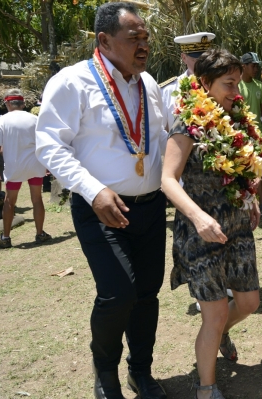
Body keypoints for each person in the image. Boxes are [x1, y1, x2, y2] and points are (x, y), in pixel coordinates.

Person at [35, 3, 168, 398]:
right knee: (118, 294)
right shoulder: (72, 82)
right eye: (134, 38)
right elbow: (50, 147)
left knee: (146, 295)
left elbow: (160, 144)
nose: (143, 45)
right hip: (100, 210)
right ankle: (105, 372)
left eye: (145, 37)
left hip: (150, 207)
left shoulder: (150, 85)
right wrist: (93, 190)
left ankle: (139, 372)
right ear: (104, 40)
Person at [161, 48, 262, 399]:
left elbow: (242, 167)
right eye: (228, 84)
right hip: (200, 231)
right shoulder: (187, 121)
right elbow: (168, 179)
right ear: (204, 83)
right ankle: (206, 387)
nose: (236, 91)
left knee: (249, 303)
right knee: (215, 314)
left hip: (237, 227)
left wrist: (251, 196)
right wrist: (198, 216)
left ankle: (218, 333)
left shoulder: (236, 118)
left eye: (237, 83)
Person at [0, 89, 50, 249]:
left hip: (15, 166)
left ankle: (5, 237)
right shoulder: (35, 119)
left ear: (7, 103)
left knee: (9, 201)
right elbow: (44, 142)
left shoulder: (2, 121)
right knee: (37, 199)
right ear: (23, 103)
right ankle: (40, 233)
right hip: (35, 165)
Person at [160, 32, 216, 131]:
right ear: (184, 57)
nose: (203, 65)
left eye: (207, 60)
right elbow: (162, 130)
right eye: (197, 60)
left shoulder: (219, 85)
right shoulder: (168, 91)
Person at [239, 52, 262, 214]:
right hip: (240, 136)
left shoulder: (259, 86)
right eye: (253, 65)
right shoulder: (236, 86)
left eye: (257, 65)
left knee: (260, 169)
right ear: (243, 67)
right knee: (243, 169)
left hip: (257, 136)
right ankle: (246, 201)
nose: (256, 69)